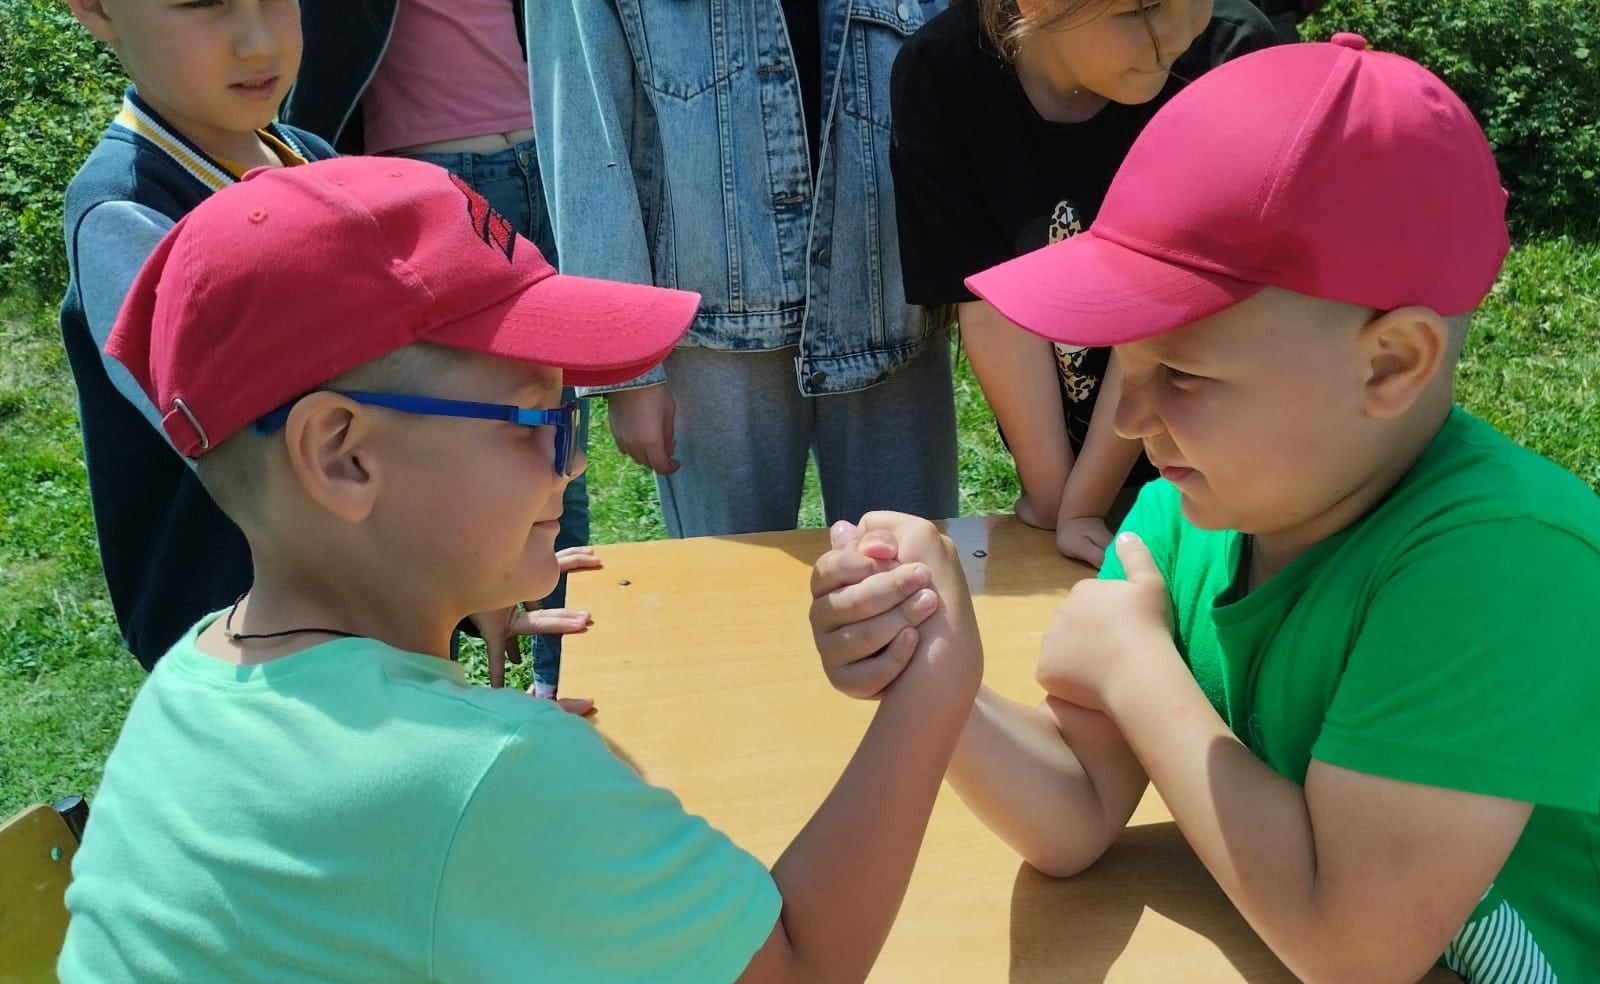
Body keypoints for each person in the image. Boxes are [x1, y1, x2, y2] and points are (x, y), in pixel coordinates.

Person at [50, 157, 984, 984]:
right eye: (540, 420)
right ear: (342, 456)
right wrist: (935, 680)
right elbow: (806, 974)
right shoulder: (472, 777)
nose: (575, 464)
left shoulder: (192, 679)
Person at [817, 35, 1600, 984]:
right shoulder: (1196, 507)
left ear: (1391, 363)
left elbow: (1347, 942)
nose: (1130, 420)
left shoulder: (1500, 562)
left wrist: (1138, 665)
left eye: (1180, 371)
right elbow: (1082, 812)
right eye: (1123, 366)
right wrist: (933, 666)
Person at [530, 0, 960, 538]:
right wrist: (626, 365)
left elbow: (958, 46)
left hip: (888, 294)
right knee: (723, 602)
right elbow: (584, 116)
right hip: (711, 321)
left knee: (914, 588)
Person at [890, 0, 1279, 564]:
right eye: (1142, 10)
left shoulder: (1230, 54)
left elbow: (1172, 299)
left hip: (1227, 471)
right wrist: (1057, 498)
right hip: (1072, 461)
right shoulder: (941, 72)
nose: (1176, 35)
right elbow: (988, 299)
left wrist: (1081, 503)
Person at [287, 0, 592, 699]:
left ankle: (559, 679)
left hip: (545, 153)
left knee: (554, 428)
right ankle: (437, 686)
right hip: (430, 176)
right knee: (441, 441)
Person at [59, 0, 334, 669]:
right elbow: (257, 461)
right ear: (96, 9)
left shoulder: (311, 158)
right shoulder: (129, 214)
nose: (258, 41)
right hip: (251, 652)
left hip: (368, 610)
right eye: (202, 4)